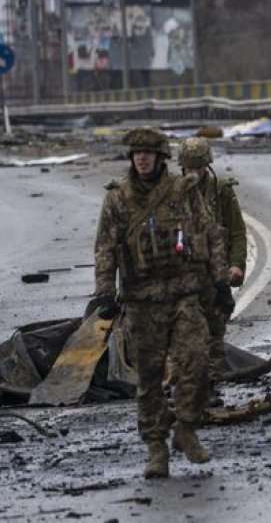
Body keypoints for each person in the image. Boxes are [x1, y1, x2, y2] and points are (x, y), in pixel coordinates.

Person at [93, 127, 230, 479]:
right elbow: (106, 248)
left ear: (161, 158)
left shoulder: (183, 192)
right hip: (142, 301)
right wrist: (104, 292)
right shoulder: (118, 199)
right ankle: (156, 447)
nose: (141, 158)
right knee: (150, 379)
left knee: (198, 363)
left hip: (185, 293)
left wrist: (220, 281)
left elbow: (211, 233)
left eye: (148, 154)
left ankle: (186, 428)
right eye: (136, 153)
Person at [177, 137, 247, 393]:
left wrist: (237, 265)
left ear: (207, 166)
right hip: (184, 274)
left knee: (215, 330)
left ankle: (212, 388)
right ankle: (190, 386)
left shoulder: (221, 191)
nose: (193, 173)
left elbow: (237, 232)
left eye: (198, 167)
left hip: (216, 271)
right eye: (188, 167)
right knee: (188, 333)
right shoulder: (172, 193)